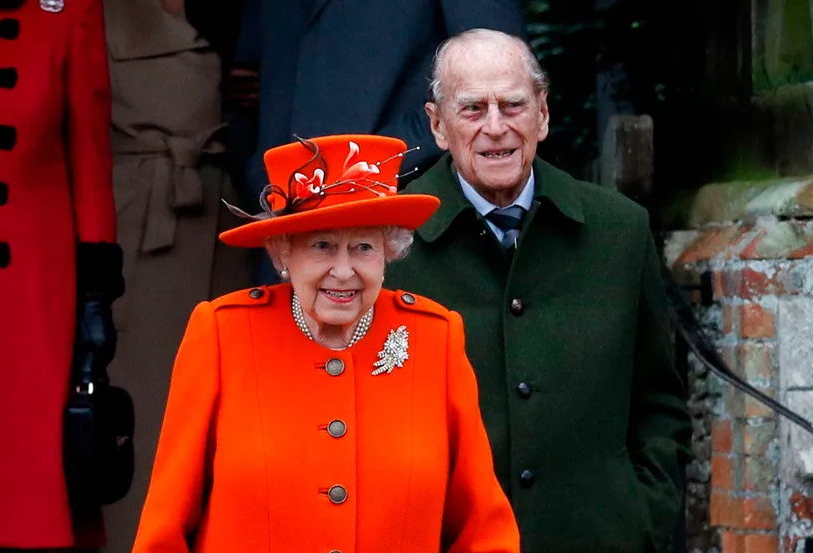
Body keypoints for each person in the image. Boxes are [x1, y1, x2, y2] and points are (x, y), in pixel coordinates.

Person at [131, 134, 520, 553]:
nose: (343, 271)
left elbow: (485, 533)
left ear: (387, 252)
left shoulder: (434, 338)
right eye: (322, 245)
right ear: (282, 252)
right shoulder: (223, 334)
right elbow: (164, 532)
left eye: (363, 247)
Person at [385, 29, 694, 553]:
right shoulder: (389, 242)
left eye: (512, 105)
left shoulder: (618, 230)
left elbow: (659, 402)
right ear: (437, 125)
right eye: (473, 109)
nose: (496, 127)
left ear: (543, 114)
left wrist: (640, 517)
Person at [96, 0, 255, 549]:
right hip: (136, 224)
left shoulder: (240, 15)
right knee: (137, 417)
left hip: (226, 221)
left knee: (229, 422)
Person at [224, 0, 529, 285]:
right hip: (279, 222)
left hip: (406, 227)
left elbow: (498, 82)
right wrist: (260, 173)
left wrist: (363, 169)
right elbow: (245, 86)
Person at [0, 0, 124, 548]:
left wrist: (95, 294)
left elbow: (90, 158)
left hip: (34, 287)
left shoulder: (69, 9)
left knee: (27, 477)